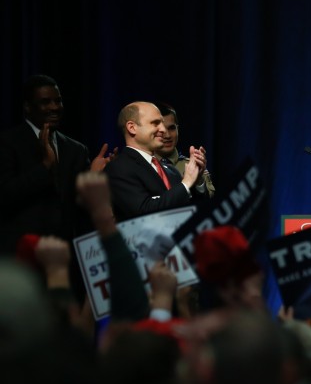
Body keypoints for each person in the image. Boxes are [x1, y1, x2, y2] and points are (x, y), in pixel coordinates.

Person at [0, 75, 114, 253]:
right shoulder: (7, 142)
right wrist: (45, 166)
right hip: (21, 253)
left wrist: (92, 177)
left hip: (65, 252)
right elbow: (6, 195)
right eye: (45, 102)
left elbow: (80, 204)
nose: (54, 107)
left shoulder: (76, 149)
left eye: (58, 101)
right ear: (27, 107)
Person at [104, 101, 208, 220]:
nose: (163, 130)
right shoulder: (118, 169)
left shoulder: (171, 171)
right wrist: (186, 183)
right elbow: (144, 213)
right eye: (155, 123)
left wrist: (197, 180)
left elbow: (196, 212)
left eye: (162, 123)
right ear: (132, 128)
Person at [155, 103, 216, 197]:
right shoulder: (142, 166)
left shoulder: (193, 167)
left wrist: (198, 181)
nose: (167, 135)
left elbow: (209, 205)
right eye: (161, 130)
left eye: (171, 128)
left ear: (177, 129)